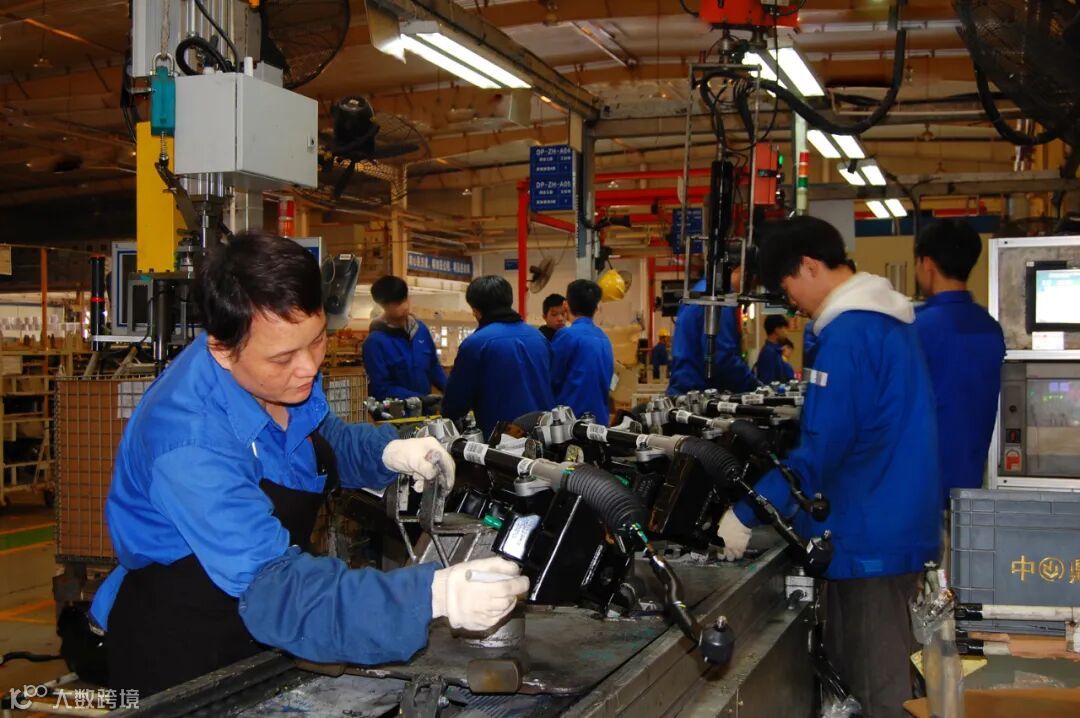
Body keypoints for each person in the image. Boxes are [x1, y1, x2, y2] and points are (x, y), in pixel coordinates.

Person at [89, 234, 528, 696]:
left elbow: (317, 439)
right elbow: (275, 589)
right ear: (221, 348)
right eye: (284, 357)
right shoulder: (188, 442)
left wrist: (386, 453)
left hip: (264, 631)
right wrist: (430, 597)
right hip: (185, 645)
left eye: (317, 341)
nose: (307, 368)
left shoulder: (278, 371)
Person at [715, 217, 940, 718]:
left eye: (785, 287)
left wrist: (749, 512)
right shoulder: (887, 321)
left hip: (870, 538)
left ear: (809, 266)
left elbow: (820, 450)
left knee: (880, 692)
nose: (790, 303)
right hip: (889, 523)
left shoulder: (848, 336)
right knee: (875, 682)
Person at [914, 219, 1005, 508]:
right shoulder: (990, 327)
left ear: (927, 263)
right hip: (970, 483)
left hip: (921, 487)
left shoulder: (916, 327)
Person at [442, 275, 555, 437]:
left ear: (476, 310)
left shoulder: (476, 344)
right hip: (545, 436)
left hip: (502, 441)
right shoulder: (539, 338)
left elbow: (455, 403)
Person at [667, 261, 761, 396]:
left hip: (682, 392)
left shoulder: (697, 291)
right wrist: (755, 388)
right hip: (699, 396)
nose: (751, 290)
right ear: (743, 271)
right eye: (754, 283)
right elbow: (722, 359)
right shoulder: (719, 298)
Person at [362, 275, 447, 401]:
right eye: (398, 303)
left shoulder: (421, 330)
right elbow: (380, 388)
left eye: (405, 299)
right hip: (395, 411)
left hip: (426, 409)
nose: (405, 306)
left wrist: (451, 390)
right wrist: (419, 399)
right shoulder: (375, 343)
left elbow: (434, 367)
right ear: (383, 305)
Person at [551, 279, 615, 425]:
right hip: (600, 422)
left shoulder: (567, 336)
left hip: (571, 424)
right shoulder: (604, 338)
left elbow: (552, 378)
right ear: (596, 307)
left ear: (566, 305)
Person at [754, 315, 794, 383]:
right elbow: (769, 382)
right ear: (777, 330)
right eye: (785, 328)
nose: (786, 332)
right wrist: (785, 359)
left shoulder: (777, 350)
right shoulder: (769, 353)